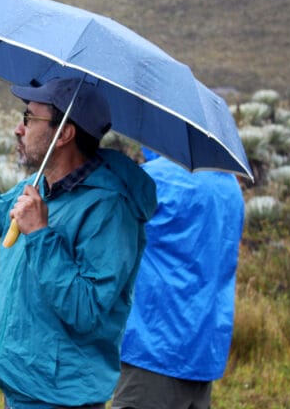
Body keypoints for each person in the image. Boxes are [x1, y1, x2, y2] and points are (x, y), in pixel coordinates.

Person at [0, 78, 158, 409]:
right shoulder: (39, 186)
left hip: (60, 397)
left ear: (65, 133)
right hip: (24, 388)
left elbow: (87, 311)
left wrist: (40, 234)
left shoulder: (110, 209)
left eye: (29, 118)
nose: (18, 128)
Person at [111, 148, 245, 409]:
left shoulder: (155, 179)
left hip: (154, 347)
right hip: (205, 350)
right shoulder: (230, 186)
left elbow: (106, 233)